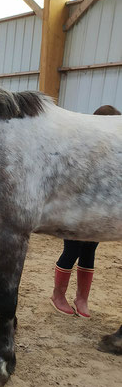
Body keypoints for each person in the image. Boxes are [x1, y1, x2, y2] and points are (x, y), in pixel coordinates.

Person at [50, 104, 121, 318]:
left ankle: (82, 298)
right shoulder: (80, 149)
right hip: (75, 211)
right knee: (71, 251)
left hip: (98, 211)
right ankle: (58, 295)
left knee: (89, 252)